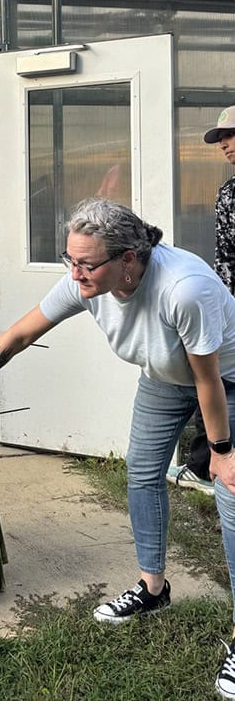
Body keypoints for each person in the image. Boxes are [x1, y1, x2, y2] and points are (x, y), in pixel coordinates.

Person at [0, 197, 235, 700]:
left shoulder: (184, 289)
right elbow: (20, 334)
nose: (75, 273)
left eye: (86, 264)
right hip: (164, 377)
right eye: (71, 259)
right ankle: (153, 590)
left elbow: (208, 380)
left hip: (225, 380)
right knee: (141, 475)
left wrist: (219, 449)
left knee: (232, 498)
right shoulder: (87, 281)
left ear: (129, 259)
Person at [167, 105, 235, 497]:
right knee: (216, 376)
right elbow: (225, 255)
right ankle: (203, 462)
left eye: (230, 135)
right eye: (220, 138)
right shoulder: (228, 192)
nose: (223, 144)